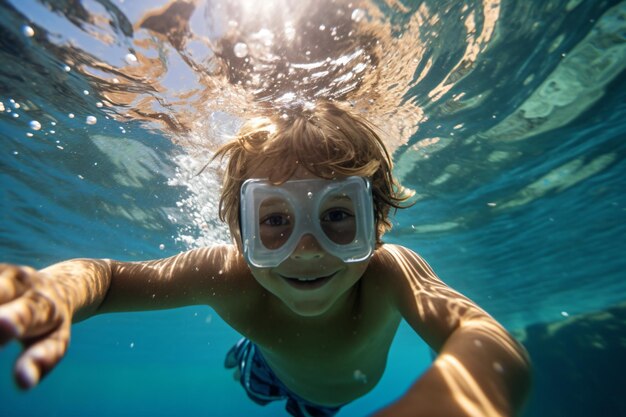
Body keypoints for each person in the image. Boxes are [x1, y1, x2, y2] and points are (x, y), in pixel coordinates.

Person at [0, 101, 531, 417]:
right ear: (238, 233)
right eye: (274, 221)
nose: (307, 247)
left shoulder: (390, 272)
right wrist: (60, 290)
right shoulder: (222, 272)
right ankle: (244, 355)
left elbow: (484, 336)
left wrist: (457, 400)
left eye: (338, 216)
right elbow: (110, 279)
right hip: (270, 368)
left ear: (379, 227)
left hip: (321, 404)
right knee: (252, 381)